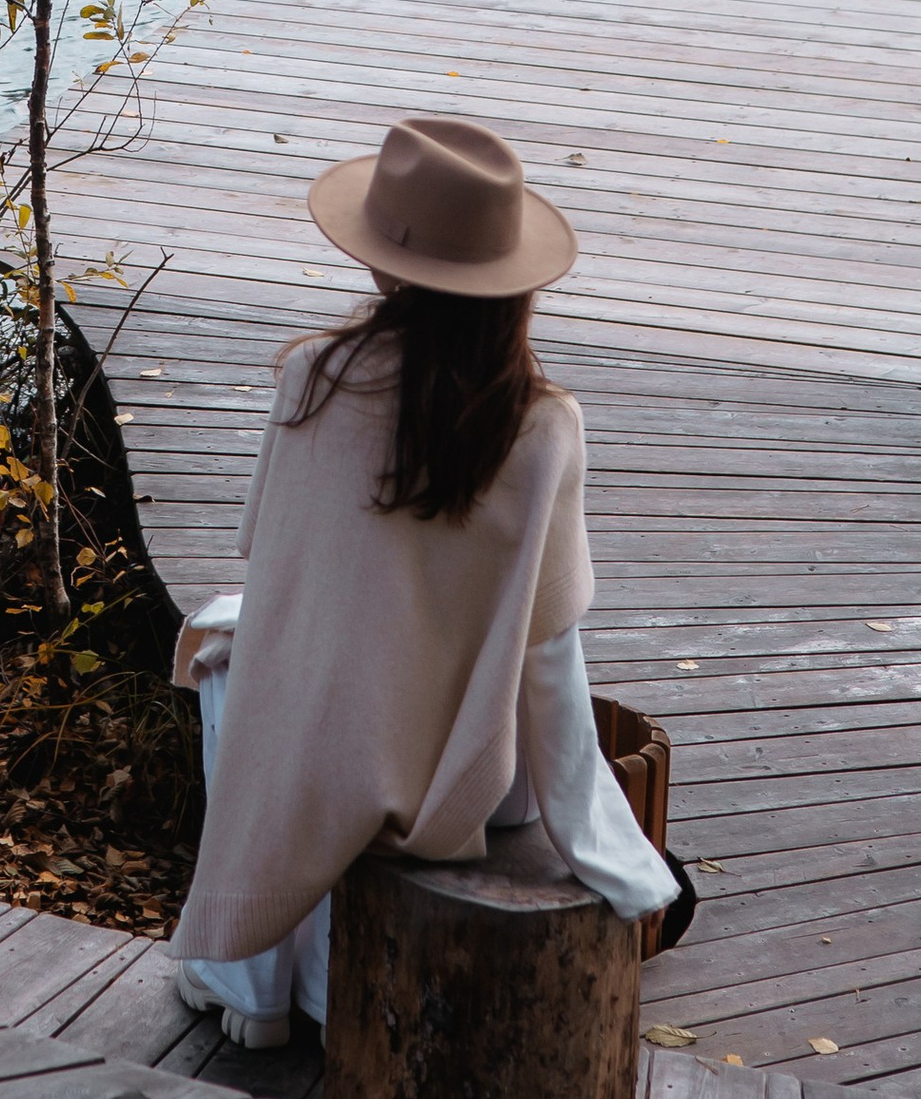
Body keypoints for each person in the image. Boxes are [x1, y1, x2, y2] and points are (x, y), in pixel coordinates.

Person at [171, 113, 684, 1049]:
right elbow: (547, 649)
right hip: (470, 791)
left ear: (380, 263)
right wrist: (608, 844)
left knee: (228, 651)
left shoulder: (310, 380)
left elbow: (278, 572)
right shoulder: (543, 427)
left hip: (330, 764)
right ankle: (293, 983)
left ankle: (252, 985)